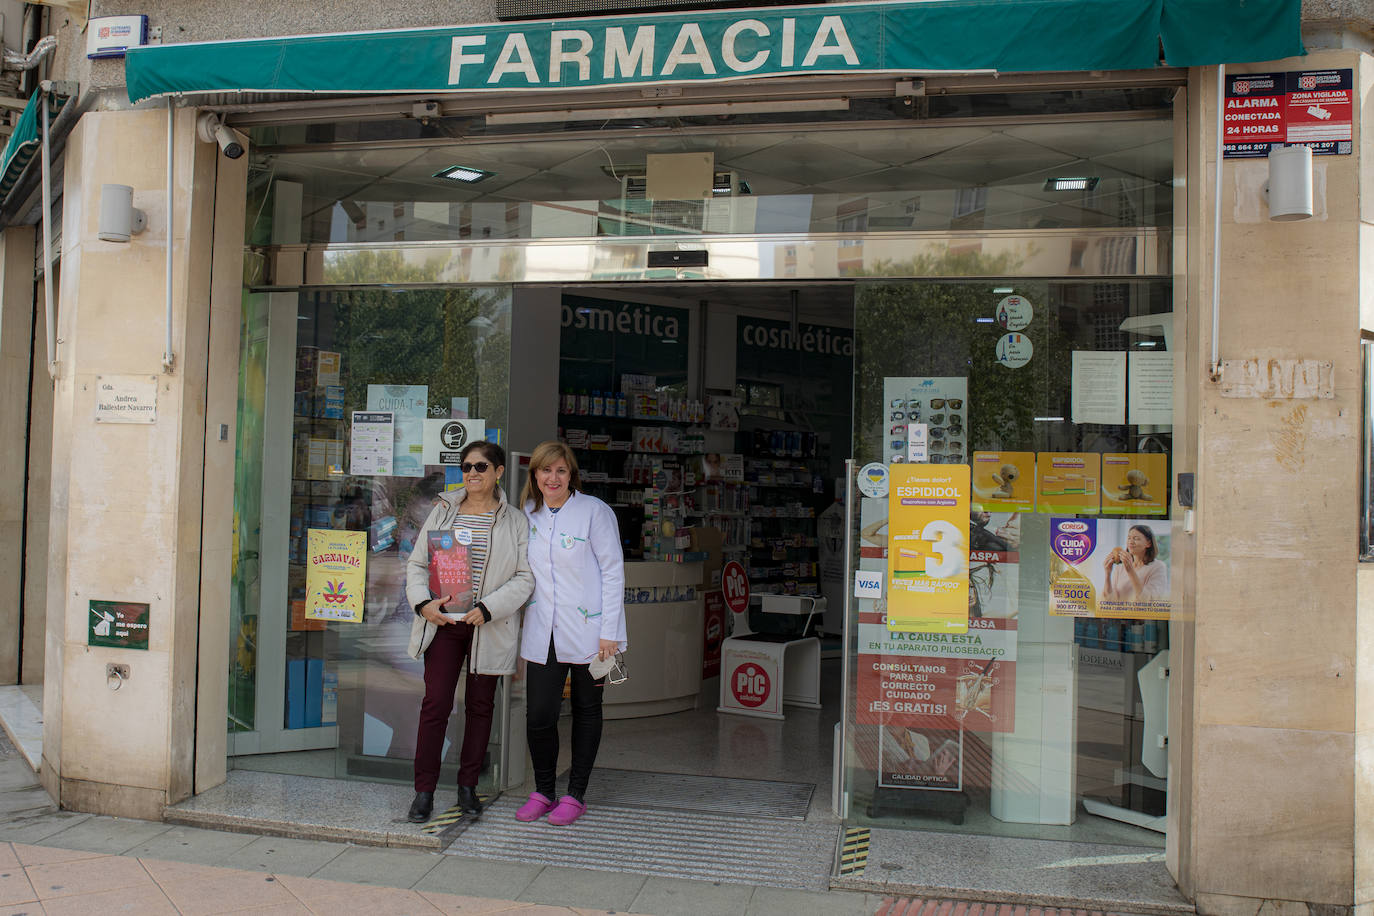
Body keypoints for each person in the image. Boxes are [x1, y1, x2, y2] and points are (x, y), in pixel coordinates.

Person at [404, 440, 533, 824]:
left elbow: (526, 577)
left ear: (498, 472)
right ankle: (423, 791)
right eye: (466, 467)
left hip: (487, 625)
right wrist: (423, 604)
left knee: (480, 709)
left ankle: (467, 787)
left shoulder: (515, 521)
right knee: (436, 705)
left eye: (480, 467)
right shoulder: (444, 510)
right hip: (444, 623)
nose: (472, 474)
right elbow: (416, 565)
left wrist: (489, 609)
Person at [516, 440, 626, 827]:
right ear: (535, 475)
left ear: (571, 475)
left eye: (561, 470)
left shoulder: (594, 512)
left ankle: (575, 794)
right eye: (546, 470)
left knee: (586, 711)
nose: (553, 477)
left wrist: (609, 632)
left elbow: (613, 572)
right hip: (542, 629)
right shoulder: (526, 515)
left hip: (591, 631)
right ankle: (544, 790)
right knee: (539, 716)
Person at [1102, 523, 1168, 602]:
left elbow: (1150, 600)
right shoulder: (1120, 568)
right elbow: (1110, 600)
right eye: (1129, 538)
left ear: (1148, 543)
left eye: (1136, 538)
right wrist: (1107, 573)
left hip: (1141, 614)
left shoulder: (1158, 567)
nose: (1131, 542)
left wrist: (1130, 571)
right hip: (1121, 614)